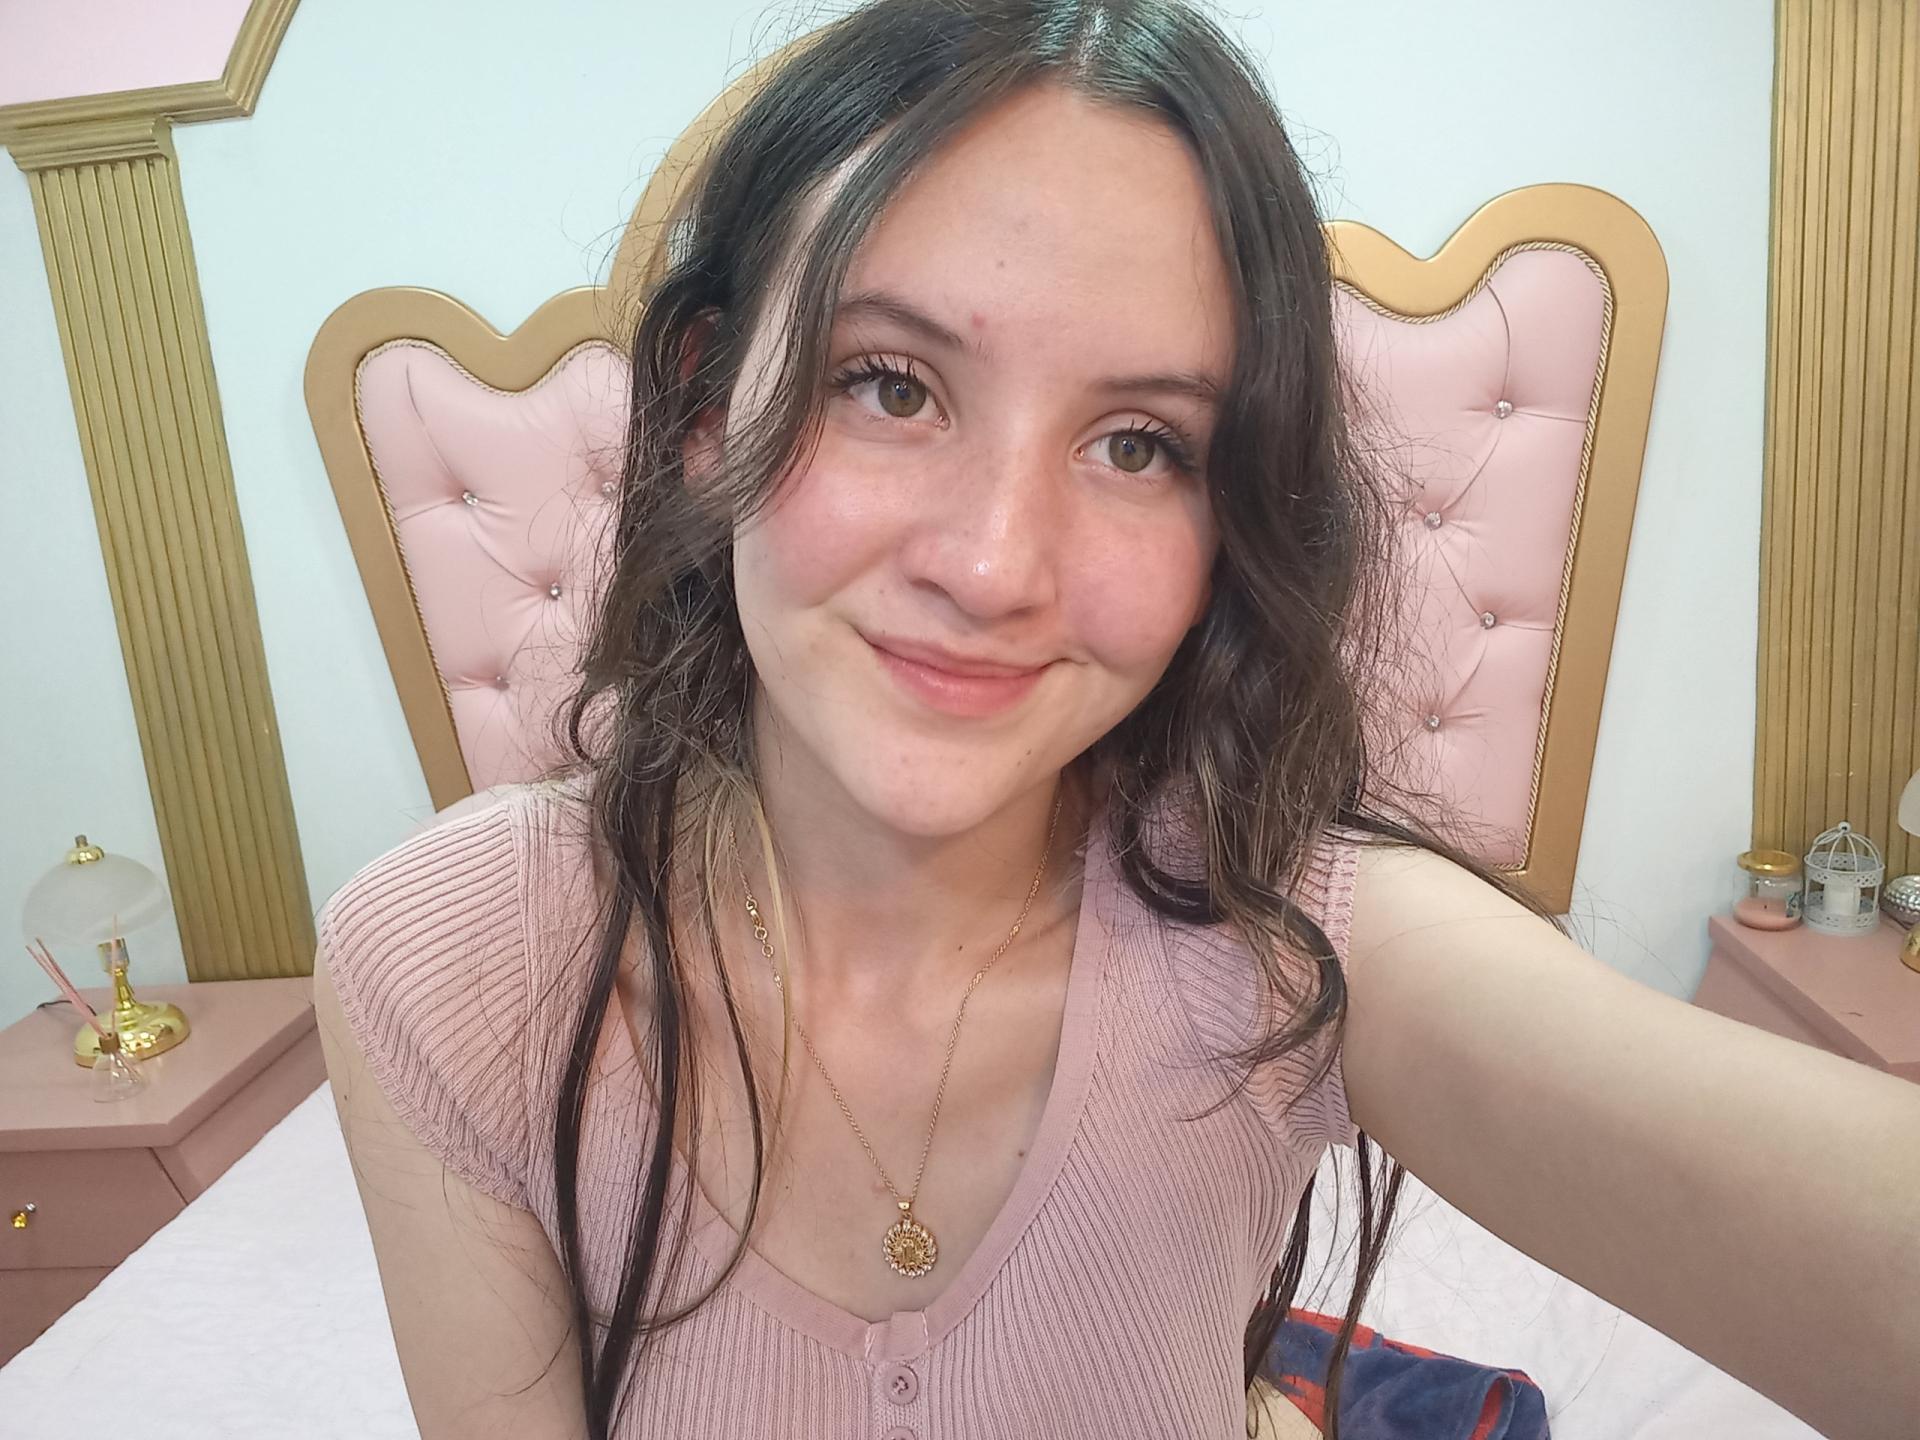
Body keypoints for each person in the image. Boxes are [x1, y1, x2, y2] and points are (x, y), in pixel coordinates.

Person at [312, 3, 1920, 1438]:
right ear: (709, 406)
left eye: (1140, 443)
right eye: (890, 384)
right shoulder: (455, 965)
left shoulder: (1293, 934)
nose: (994, 566)